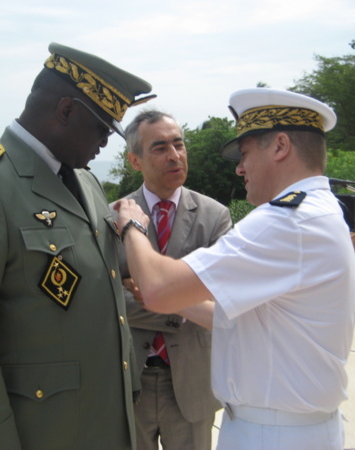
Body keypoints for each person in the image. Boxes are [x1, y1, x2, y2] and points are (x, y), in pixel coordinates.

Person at [0, 42, 156, 450]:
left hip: (105, 420)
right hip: (40, 432)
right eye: (102, 128)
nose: (106, 143)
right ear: (65, 111)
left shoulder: (86, 182)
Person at [114, 88, 355, 450]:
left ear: (279, 146)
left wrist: (132, 227)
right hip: (285, 427)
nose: (240, 168)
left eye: (245, 154)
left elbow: (158, 288)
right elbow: (240, 317)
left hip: (273, 433)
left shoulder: (286, 222)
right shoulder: (316, 211)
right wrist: (177, 301)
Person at [112, 110, 232, 450]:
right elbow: (110, 299)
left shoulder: (215, 217)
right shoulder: (113, 216)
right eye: (161, 147)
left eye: (179, 144)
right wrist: (187, 303)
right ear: (135, 159)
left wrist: (152, 295)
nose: (175, 155)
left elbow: (225, 299)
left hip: (192, 379)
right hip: (132, 376)